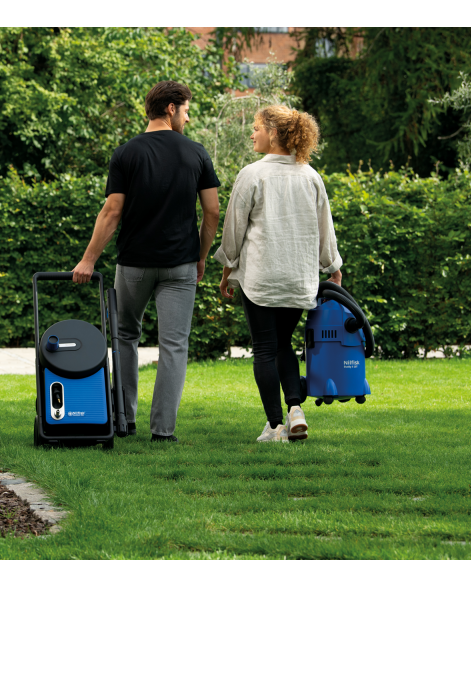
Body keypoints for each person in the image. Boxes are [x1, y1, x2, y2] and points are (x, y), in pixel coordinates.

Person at [72, 81, 221, 443]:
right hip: (180, 265)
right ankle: (163, 431)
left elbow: (112, 212)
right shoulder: (196, 153)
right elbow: (213, 212)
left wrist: (88, 260)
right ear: (171, 108)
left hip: (134, 265)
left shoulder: (126, 153)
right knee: (174, 344)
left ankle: (125, 420)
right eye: (186, 110)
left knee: (124, 336)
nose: (188, 117)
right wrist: (201, 257)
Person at [214, 104, 342, 443]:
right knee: (283, 344)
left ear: (273, 133)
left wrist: (227, 270)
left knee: (264, 349)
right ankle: (295, 409)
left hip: (261, 278)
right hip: (299, 279)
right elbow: (325, 229)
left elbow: (233, 231)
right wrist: (333, 267)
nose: (252, 134)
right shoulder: (311, 176)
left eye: (256, 128)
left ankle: (274, 427)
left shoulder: (252, 174)